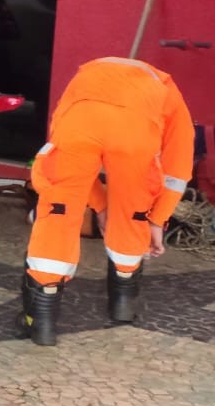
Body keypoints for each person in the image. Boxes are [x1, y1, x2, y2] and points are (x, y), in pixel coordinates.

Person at [22, 57, 194, 345]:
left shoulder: (86, 74)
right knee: (133, 213)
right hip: (135, 132)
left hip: (79, 120)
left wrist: (100, 206)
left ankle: (41, 320)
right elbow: (177, 170)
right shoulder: (168, 89)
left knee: (59, 211)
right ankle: (123, 304)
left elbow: (73, 164)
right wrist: (156, 220)